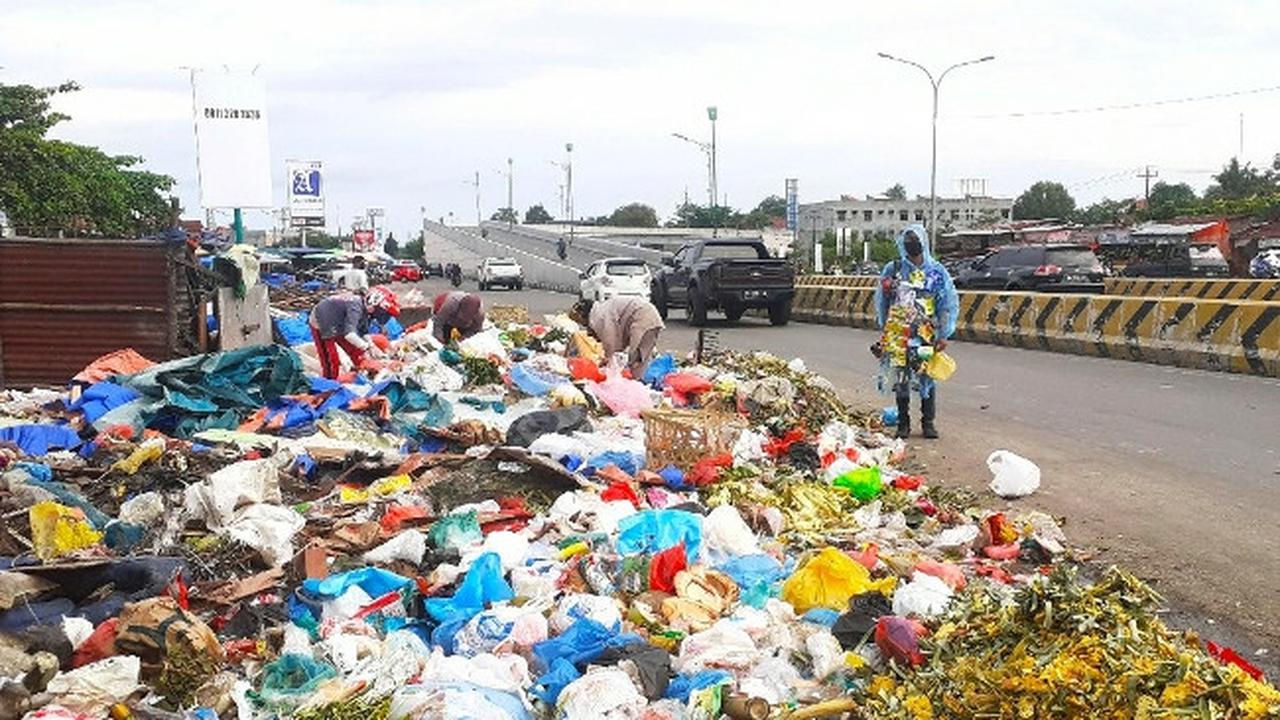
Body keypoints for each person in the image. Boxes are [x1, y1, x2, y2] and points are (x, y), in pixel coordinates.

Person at [873, 224, 958, 440]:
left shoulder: (937, 272)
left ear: (923, 241)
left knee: (926, 375)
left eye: (915, 239)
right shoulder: (893, 270)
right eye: (907, 239)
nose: (912, 244)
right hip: (899, 334)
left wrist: (943, 335)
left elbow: (946, 304)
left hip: (926, 335)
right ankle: (903, 423)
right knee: (901, 378)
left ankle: (928, 422)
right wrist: (884, 329)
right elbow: (882, 302)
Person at [309, 286, 399, 379]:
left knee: (357, 353)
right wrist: (367, 347)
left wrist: (372, 346)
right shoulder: (355, 308)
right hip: (322, 321)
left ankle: (364, 375)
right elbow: (350, 335)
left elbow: (363, 331)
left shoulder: (364, 309)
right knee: (332, 359)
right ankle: (329, 384)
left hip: (340, 322)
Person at [572, 296, 664, 377]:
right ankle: (637, 383)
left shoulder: (599, 317)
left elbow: (611, 342)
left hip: (642, 318)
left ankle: (635, 384)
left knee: (635, 357)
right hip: (650, 317)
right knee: (640, 357)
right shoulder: (602, 310)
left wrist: (609, 360)